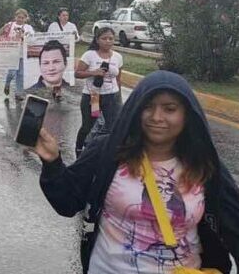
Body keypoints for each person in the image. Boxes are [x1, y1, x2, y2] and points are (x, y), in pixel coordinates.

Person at [33, 71, 239, 274]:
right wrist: (52, 163)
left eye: (170, 109)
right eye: (147, 107)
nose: (157, 117)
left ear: (186, 115)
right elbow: (67, 202)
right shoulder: (107, 152)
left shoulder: (206, 165)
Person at [75, 26, 123, 157]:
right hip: (93, 97)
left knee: (113, 127)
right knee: (88, 126)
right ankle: (79, 150)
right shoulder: (89, 55)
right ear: (97, 40)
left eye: (110, 38)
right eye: (104, 38)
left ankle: (110, 154)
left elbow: (118, 79)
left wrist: (119, 97)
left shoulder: (118, 57)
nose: (108, 41)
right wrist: (94, 72)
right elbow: (77, 73)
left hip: (111, 97)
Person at [0, 9, 35, 101]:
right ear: (15, 17)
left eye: (22, 18)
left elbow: (33, 40)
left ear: (26, 18)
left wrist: (23, 37)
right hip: (12, 53)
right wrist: (3, 28)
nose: (20, 19)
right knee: (12, 72)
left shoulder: (29, 28)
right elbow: (0, 34)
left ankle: (18, 93)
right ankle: (7, 84)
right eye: (18, 17)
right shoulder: (10, 25)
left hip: (23, 53)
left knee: (20, 74)